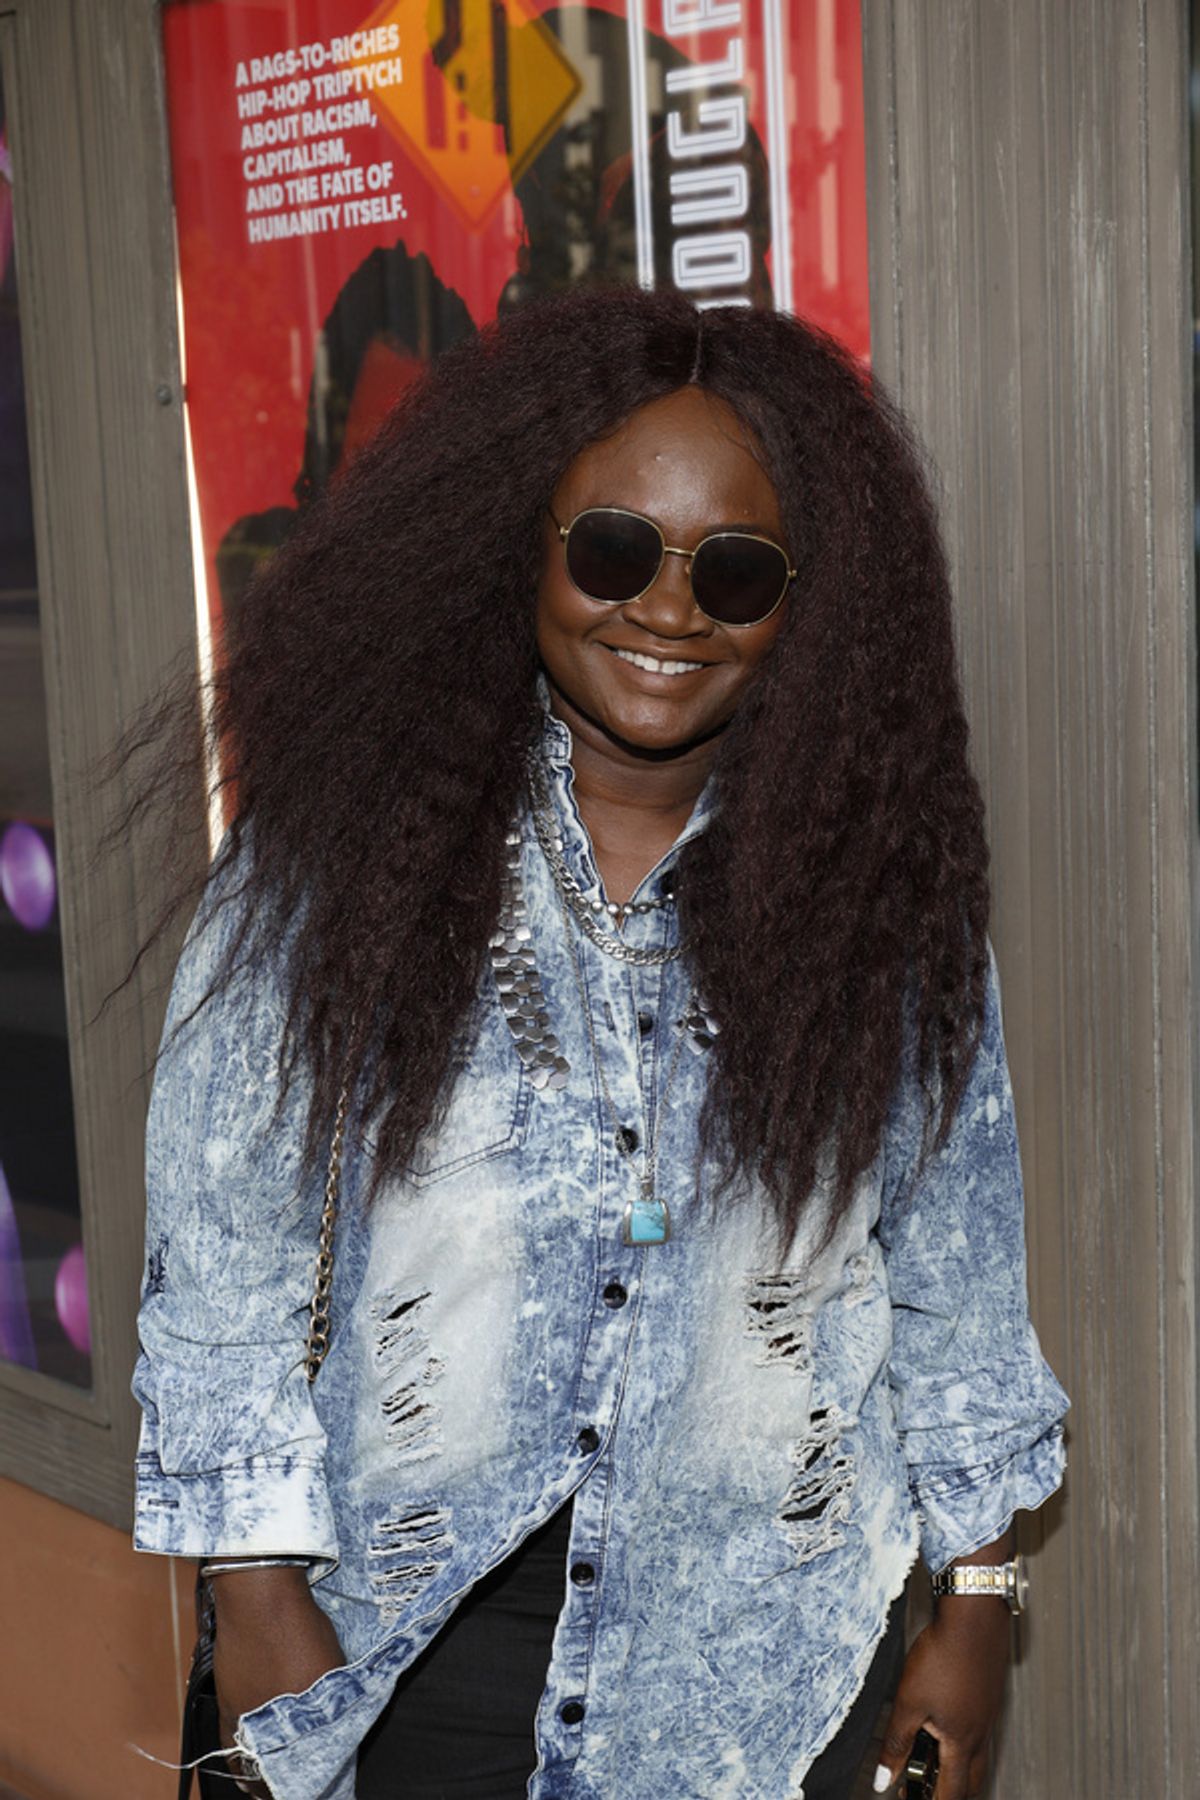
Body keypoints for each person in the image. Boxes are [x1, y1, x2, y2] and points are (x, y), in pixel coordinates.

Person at [131, 286, 1068, 1800]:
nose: (670, 608)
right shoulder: (329, 871)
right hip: (403, 1659)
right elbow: (222, 1269)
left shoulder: (884, 911)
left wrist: (975, 1613)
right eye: (615, 549)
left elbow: (956, 1289)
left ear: (804, 606)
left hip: (766, 1673)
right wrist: (256, 1594)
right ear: (520, 543)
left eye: (738, 571)